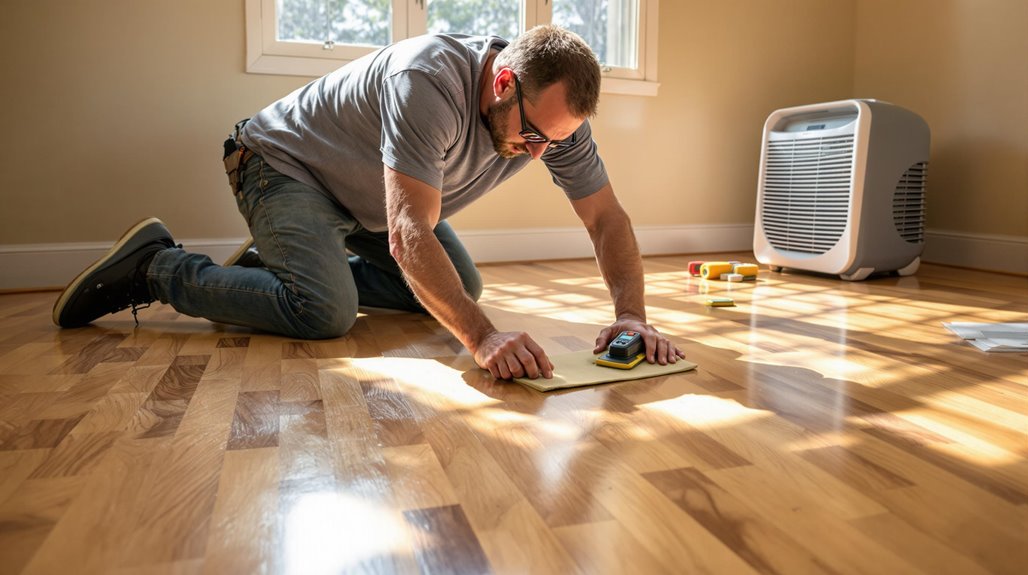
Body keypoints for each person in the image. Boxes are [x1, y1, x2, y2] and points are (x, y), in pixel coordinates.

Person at [52, 25, 685, 380]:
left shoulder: (553, 123)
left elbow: (606, 219)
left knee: (460, 283)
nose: (538, 153)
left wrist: (632, 316)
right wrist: (484, 339)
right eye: (534, 135)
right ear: (502, 83)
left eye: (556, 141)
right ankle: (158, 268)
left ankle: (283, 261)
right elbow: (410, 232)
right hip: (281, 166)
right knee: (327, 312)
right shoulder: (427, 80)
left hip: (366, 205)